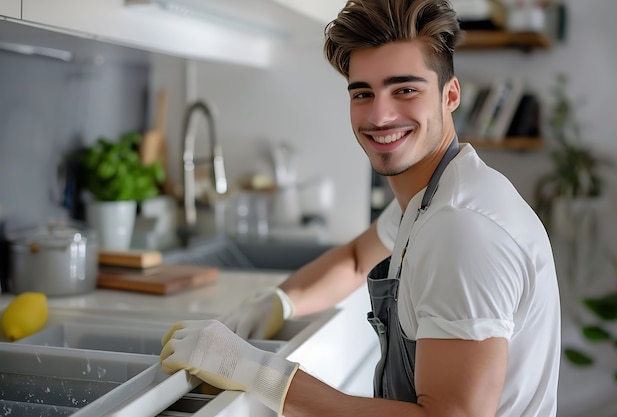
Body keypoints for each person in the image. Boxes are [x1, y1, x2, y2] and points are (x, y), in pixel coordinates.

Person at [159, 0, 561, 416]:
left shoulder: (460, 228)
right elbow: (354, 259)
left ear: (450, 95)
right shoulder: (434, 197)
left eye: (404, 89)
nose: (380, 115)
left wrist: (260, 373)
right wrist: (277, 302)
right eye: (363, 93)